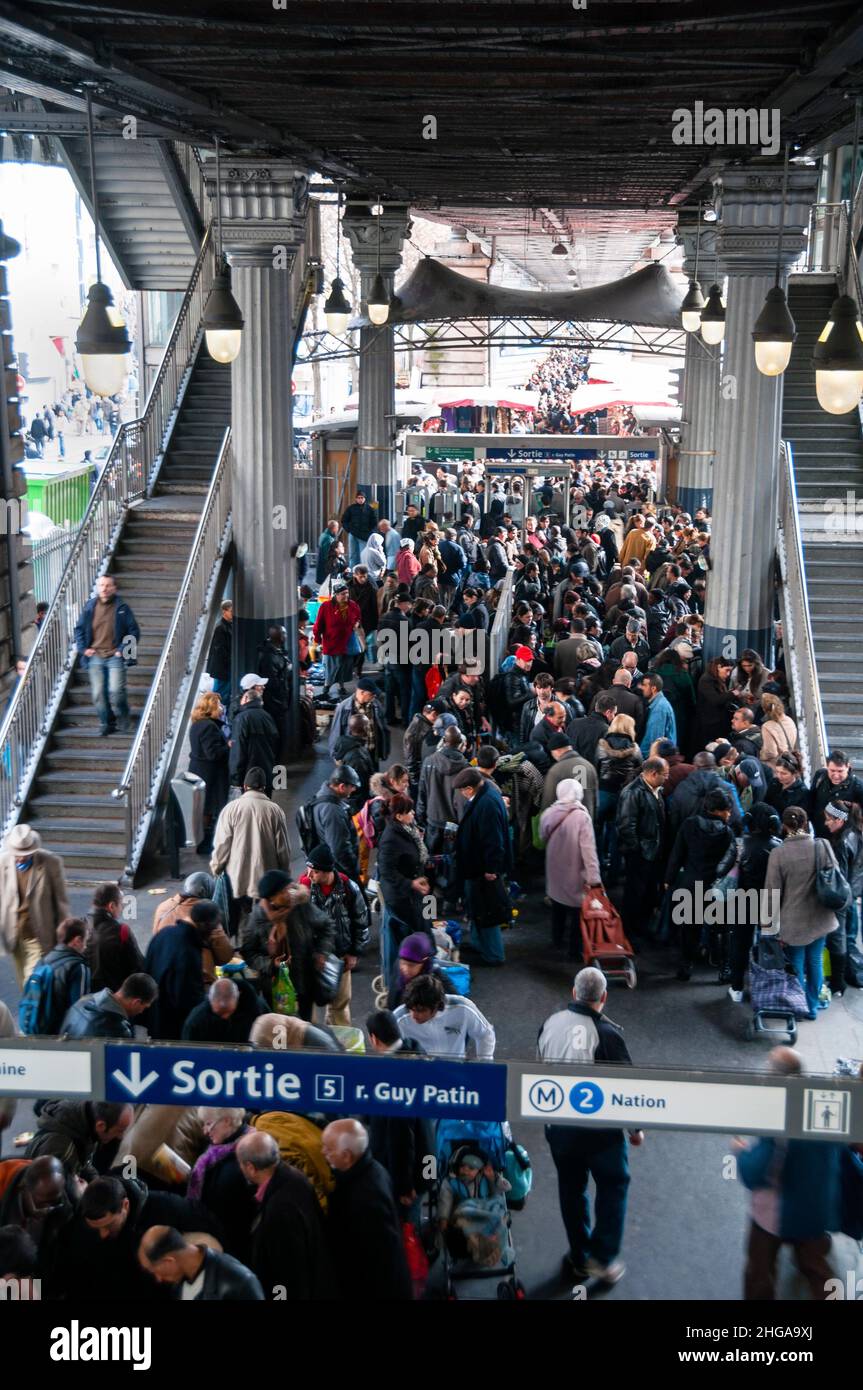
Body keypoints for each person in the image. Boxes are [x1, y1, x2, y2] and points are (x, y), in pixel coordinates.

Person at [538, 967, 642, 1284]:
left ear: (573, 993)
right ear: (604, 997)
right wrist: (635, 1128)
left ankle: (579, 1256)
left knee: (572, 1190)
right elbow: (625, 1088)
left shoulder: (549, 1024)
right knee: (613, 1185)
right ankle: (602, 1258)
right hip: (599, 1133)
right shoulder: (608, 1035)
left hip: (559, 1128)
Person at [735, 1047, 843, 1301]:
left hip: (776, 1215)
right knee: (815, 1267)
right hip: (817, 1210)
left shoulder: (779, 1115)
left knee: (759, 1272)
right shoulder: (823, 1100)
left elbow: (758, 1171)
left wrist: (741, 1153)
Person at [53, 1173, 223, 1302]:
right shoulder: (79, 1226)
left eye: (109, 1225)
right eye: (96, 1228)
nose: (103, 1234)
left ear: (125, 1205)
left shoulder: (163, 1207)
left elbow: (210, 1225)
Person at [234, 1130, 335, 1301]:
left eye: (241, 1164)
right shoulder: (293, 1176)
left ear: (251, 1168)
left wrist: (279, 1298)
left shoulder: (279, 1209)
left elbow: (286, 1273)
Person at [321, 1119, 413, 1301]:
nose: (323, 1152)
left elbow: (378, 1262)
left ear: (347, 1155)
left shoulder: (365, 1196)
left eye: (329, 1149)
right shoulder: (372, 1169)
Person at [764, 806, 840, 1019]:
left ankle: (796, 1007)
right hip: (820, 918)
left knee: (795, 964)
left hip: (793, 921)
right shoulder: (821, 845)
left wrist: (769, 927)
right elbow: (833, 875)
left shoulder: (778, 854)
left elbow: (772, 893)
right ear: (807, 823)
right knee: (815, 961)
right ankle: (812, 1008)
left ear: (784, 826)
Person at [365, 1009, 433, 1221]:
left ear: (374, 1039)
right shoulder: (415, 1052)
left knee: (406, 1229)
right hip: (426, 1158)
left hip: (406, 1177)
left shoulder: (391, 1080)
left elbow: (401, 1139)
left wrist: (404, 1187)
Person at [665, 786, 737, 981]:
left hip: (691, 885)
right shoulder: (727, 833)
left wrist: (668, 880)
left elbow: (677, 855)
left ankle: (685, 967)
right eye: (727, 810)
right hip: (716, 888)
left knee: (689, 929)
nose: (729, 814)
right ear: (718, 810)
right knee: (720, 929)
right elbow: (728, 861)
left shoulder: (689, 825)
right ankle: (723, 970)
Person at [241, 871, 334, 1020]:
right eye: (284, 891)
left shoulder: (301, 907)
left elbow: (326, 926)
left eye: (290, 888)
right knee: (280, 1032)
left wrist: (322, 952)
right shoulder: (258, 918)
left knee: (303, 1027)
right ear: (272, 898)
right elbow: (249, 952)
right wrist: (270, 964)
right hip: (274, 989)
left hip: (304, 982)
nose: (290, 894)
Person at [298, 844, 368, 1026]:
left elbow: (361, 922)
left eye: (313, 871)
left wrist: (354, 952)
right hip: (311, 958)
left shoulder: (348, 888)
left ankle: (341, 1046)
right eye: (308, 869)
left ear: (327, 872)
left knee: (339, 1004)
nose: (308, 874)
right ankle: (310, 1043)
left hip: (341, 956)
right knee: (307, 1005)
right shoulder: (303, 888)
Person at [453, 767, 512, 966]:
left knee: (488, 912)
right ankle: (480, 945)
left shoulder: (486, 804)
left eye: (462, 790)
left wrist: (491, 869)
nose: (462, 794)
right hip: (477, 868)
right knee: (478, 908)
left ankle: (494, 954)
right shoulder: (488, 795)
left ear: (469, 788)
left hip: (483, 870)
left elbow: (493, 841)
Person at [0, 824, 70, 989]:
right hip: (14, 933)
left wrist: (63, 934)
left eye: (26, 853)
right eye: (18, 854)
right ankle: (32, 1011)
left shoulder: (51, 862)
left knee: (32, 981)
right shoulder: (2, 863)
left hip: (39, 933)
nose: (21, 858)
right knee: (23, 979)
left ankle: (30, 1011)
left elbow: (60, 901)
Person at [210, 766, 291, 909]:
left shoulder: (230, 809)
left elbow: (222, 845)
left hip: (237, 880)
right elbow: (283, 850)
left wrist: (216, 868)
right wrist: (285, 874)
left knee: (238, 923)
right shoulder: (275, 811)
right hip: (267, 882)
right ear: (264, 787)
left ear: (244, 786)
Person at [142, 900, 225, 1040]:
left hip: (154, 1016)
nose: (212, 935)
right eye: (212, 930)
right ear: (205, 925)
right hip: (172, 1028)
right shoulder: (188, 952)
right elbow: (188, 999)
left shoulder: (164, 933)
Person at [727, 802, 782, 1003]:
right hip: (771, 902)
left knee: (739, 943)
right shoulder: (778, 846)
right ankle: (769, 989)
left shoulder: (741, 844)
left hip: (743, 900)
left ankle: (736, 987)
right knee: (769, 944)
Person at [540, 779, 602, 958]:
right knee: (577, 913)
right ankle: (574, 951)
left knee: (557, 907)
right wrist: (594, 879)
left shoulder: (549, 813)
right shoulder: (582, 817)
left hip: (554, 867)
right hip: (575, 870)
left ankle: (557, 940)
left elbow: (543, 836)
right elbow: (589, 850)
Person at [376, 793, 433, 985]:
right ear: (399, 816)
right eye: (409, 811)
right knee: (416, 936)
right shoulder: (390, 838)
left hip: (413, 892)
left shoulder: (407, 830)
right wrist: (411, 883)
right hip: (401, 898)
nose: (413, 813)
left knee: (424, 927)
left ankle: (423, 975)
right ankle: (413, 981)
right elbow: (386, 871)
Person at [73, 575, 140, 736]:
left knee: (116, 692)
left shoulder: (122, 608)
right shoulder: (90, 607)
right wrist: (83, 649)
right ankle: (107, 722)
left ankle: (124, 720)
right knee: (98, 694)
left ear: (114, 588)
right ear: (98, 587)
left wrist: (123, 649)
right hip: (95, 655)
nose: (104, 588)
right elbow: (79, 630)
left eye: (108, 585)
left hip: (115, 655)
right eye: (101, 585)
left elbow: (134, 631)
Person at [615, 755, 669, 941]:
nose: (667, 778)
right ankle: (629, 934)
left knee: (647, 894)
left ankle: (640, 929)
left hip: (651, 853)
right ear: (653, 774)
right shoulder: (633, 793)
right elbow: (626, 826)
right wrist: (637, 850)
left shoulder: (655, 790)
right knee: (634, 895)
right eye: (665, 774)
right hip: (640, 855)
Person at [138, 1225, 264, 1301]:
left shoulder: (240, 1283)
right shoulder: (179, 1280)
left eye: (155, 1271)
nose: (158, 1279)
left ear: (169, 1261)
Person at [151, 872, 232, 985]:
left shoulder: (163, 907)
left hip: (162, 977)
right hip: (197, 982)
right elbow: (225, 956)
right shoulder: (207, 916)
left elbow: (155, 939)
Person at [393, 974, 496, 1058]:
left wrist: (485, 1064)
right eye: (411, 1009)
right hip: (418, 1073)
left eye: (420, 1010)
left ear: (437, 1006)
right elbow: (386, 1049)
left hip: (454, 1070)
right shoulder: (398, 1018)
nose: (413, 1016)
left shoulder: (463, 1008)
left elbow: (485, 1034)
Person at [24, 1101, 133, 1177]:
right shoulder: (60, 1149)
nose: (121, 1136)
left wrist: (97, 1183)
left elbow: (84, 1165)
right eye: (119, 1130)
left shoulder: (85, 1119)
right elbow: (52, 1199)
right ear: (101, 1126)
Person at [26, 916, 91, 1033]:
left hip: (36, 1032)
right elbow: (80, 1010)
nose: (86, 946)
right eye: (86, 940)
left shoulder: (42, 962)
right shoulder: (78, 967)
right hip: (62, 1037)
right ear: (77, 941)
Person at [188, 690, 230, 854]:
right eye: (219, 705)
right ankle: (204, 843)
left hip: (199, 770)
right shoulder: (209, 727)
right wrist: (228, 747)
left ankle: (203, 841)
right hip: (210, 775)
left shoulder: (197, 724)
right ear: (211, 707)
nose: (221, 708)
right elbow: (212, 753)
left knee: (204, 808)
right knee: (209, 809)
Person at [416, 724, 468, 852]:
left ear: (444, 741)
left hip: (433, 819)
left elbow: (422, 791)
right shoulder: (466, 768)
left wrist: (420, 817)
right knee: (451, 864)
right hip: (454, 824)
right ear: (460, 743)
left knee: (431, 863)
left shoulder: (429, 762)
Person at [60, 972, 158, 1039]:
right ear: (136, 1002)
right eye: (144, 1007)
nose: (141, 1011)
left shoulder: (84, 1001)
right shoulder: (117, 1031)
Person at [86, 881, 144, 992]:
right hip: (114, 995)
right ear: (111, 906)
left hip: (88, 996)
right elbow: (137, 966)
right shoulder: (121, 931)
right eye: (121, 904)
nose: (122, 908)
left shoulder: (81, 928)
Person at [228, 676, 280, 794]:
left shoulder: (241, 717)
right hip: (265, 771)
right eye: (260, 685)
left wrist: (235, 779)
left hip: (248, 775)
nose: (263, 687)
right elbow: (276, 744)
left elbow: (238, 751)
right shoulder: (266, 715)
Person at [310, 766, 362, 882]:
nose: (353, 790)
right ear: (342, 786)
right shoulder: (333, 810)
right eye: (352, 787)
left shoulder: (321, 795)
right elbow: (339, 850)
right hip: (340, 870)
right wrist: (354, 870)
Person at [313, 579, 362, 698]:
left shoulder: (353, 605)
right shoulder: (326, 607)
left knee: (344, 666)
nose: (345, 596)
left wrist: (357, 623)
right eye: (342, 594)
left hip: (347, 643)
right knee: (332, 667)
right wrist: (318, 640)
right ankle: (327, 686)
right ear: (336, 595)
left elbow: (358, 617)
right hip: (332, 643)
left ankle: (341, 686)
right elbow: (318, 625)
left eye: (347, 593)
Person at [181, 976, 266, 1043]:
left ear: (238, 996)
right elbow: (189, 1052)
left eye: (229, 1011)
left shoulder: (258, 1010)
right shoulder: (196, 1020)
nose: (225, 1017)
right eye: (219, 1013)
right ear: (210, 1000)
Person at [809, 749, 863, 839]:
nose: (836, 775)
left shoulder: (857, 787)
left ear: (848, 767)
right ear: (827, 767)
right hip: (819, 835)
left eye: (840, 771)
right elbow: (811, 800)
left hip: (842, 840)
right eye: (832, 771)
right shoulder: (820, 776)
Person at [332, 712, 376, 809]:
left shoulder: (343, 743)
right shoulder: (357, 757)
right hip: (356, 804)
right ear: (365, 730)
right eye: (368, 726)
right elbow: (358, 787)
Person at [693, 657, 737, 749]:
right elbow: (715, 700)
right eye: (727, 670)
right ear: (719, 667)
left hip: (717, 722)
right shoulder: (706, 680)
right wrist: (732, 694)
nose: (728, 674)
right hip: (710, 723)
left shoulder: (715, 679)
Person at [566, 691, 617, 766]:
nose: (614, 717)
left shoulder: (574, 723)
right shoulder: (606, 730)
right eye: (614, 713)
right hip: (590, 772)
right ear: (608, 712)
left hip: (570, 767)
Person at [638, 672, 676, 757]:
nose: (641, 687)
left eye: (644, 685)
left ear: (653, 688)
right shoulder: (659, 704)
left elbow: (655, 742)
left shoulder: (659, 708)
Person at [759, 693, 798, 766]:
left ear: (764, 709)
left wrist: (761, 754)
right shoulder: (789, 720)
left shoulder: (767, 727)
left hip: (777, 766)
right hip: (789, 761)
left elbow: (771, 752)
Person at [341, 489, 377, 568]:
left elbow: (374, 522)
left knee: (363, 555)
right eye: (359, 498)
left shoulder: (370, 509)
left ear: (365, 498)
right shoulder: (351, 508)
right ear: (356, 499)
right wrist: (349, 530)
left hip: (364, 536)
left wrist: (369, 532)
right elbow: (344, 520)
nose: (360, 499)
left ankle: (362, 571)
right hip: (353, 534)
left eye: (362, 498)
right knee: (352, 555)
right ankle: (352, 572)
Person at [206, 599, 233, 706]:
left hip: (224, 667)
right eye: (231, 611)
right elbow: (220, 650)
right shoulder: (221, 627)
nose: (233, 614)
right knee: (220, 693)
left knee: (222, 692)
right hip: (222, 668)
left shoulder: (227, 625)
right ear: (224, 611)